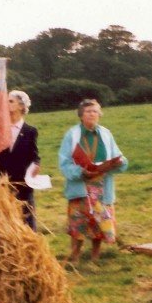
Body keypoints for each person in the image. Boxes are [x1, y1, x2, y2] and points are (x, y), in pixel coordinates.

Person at [58, 99, 128, 262]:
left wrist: (120, 162)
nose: (92, 114)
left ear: (100, 114)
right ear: (81, 115)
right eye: (88, 111)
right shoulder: (72, 134)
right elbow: (64, 162)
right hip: (81, 183)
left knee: (99, 220)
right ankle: (75, 254)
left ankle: (95, 255)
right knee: (78, 220)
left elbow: (119, 155)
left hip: (102, 184)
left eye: (95, 111)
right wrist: (80, 172)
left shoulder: (106, 133)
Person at [0, 90, 40, 230]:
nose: (6, 104)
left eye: (10, 101)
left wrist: (36, 166)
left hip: (23, 186)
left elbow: (34, 156)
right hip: (2, 186)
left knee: (27, 225)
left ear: (21, 106)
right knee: (4, 227)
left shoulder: (30, 131)